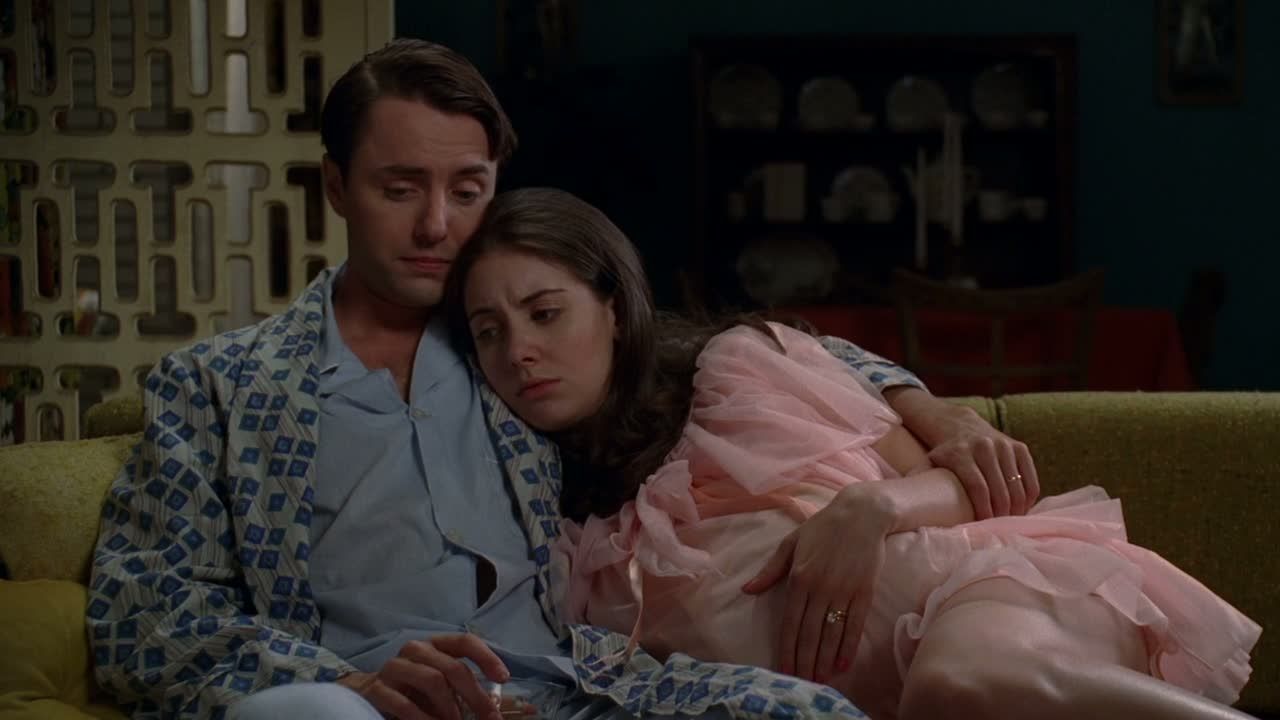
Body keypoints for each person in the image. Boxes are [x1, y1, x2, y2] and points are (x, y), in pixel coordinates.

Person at [85, 39, 1036, 720]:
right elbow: (143, 617)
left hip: (573, 688)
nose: (436, 226)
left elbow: (723, 350)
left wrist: (935, 412)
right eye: (399, 188)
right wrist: (349, 681)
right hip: (359, 697)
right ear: (336, 187)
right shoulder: (221, 387)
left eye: (467, 191)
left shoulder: (513, 345)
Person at [445, 187, 1263, 720]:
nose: (520, 352)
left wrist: (871, 507)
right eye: (489, 332)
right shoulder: (553, 530)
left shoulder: (736, 373)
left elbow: (964, 488)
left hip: (987, 598)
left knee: (958, 684)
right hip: (894, 700)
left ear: (615, 309)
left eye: (545, 313)